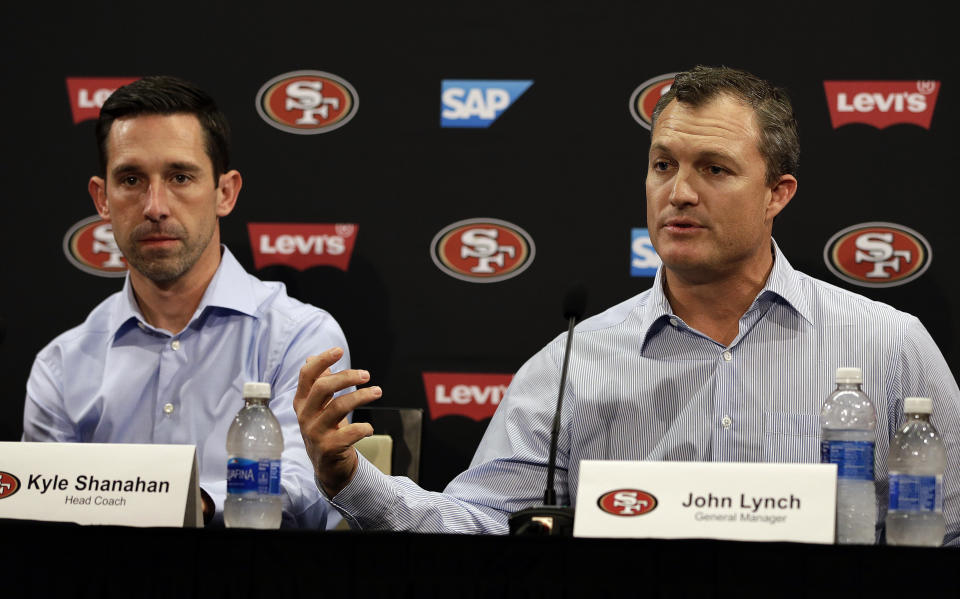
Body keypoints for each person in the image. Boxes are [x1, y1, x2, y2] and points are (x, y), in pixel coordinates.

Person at [295, 65, 960, 544]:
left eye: (715, 169)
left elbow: (950, 529)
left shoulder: (887, 348)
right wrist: (350, 477)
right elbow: (479, 521)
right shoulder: (576, 364)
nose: (680, 193)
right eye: (663, 164)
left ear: (777, 193)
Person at [23, 75, 351, 528]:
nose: (155, 206)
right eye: (132, 179)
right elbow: (39, 522)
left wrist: (187, 503)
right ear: (102, 199)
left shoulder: (301, 338)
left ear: (225, 192)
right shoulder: (61, 366)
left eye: (180, 177)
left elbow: (314, 491)